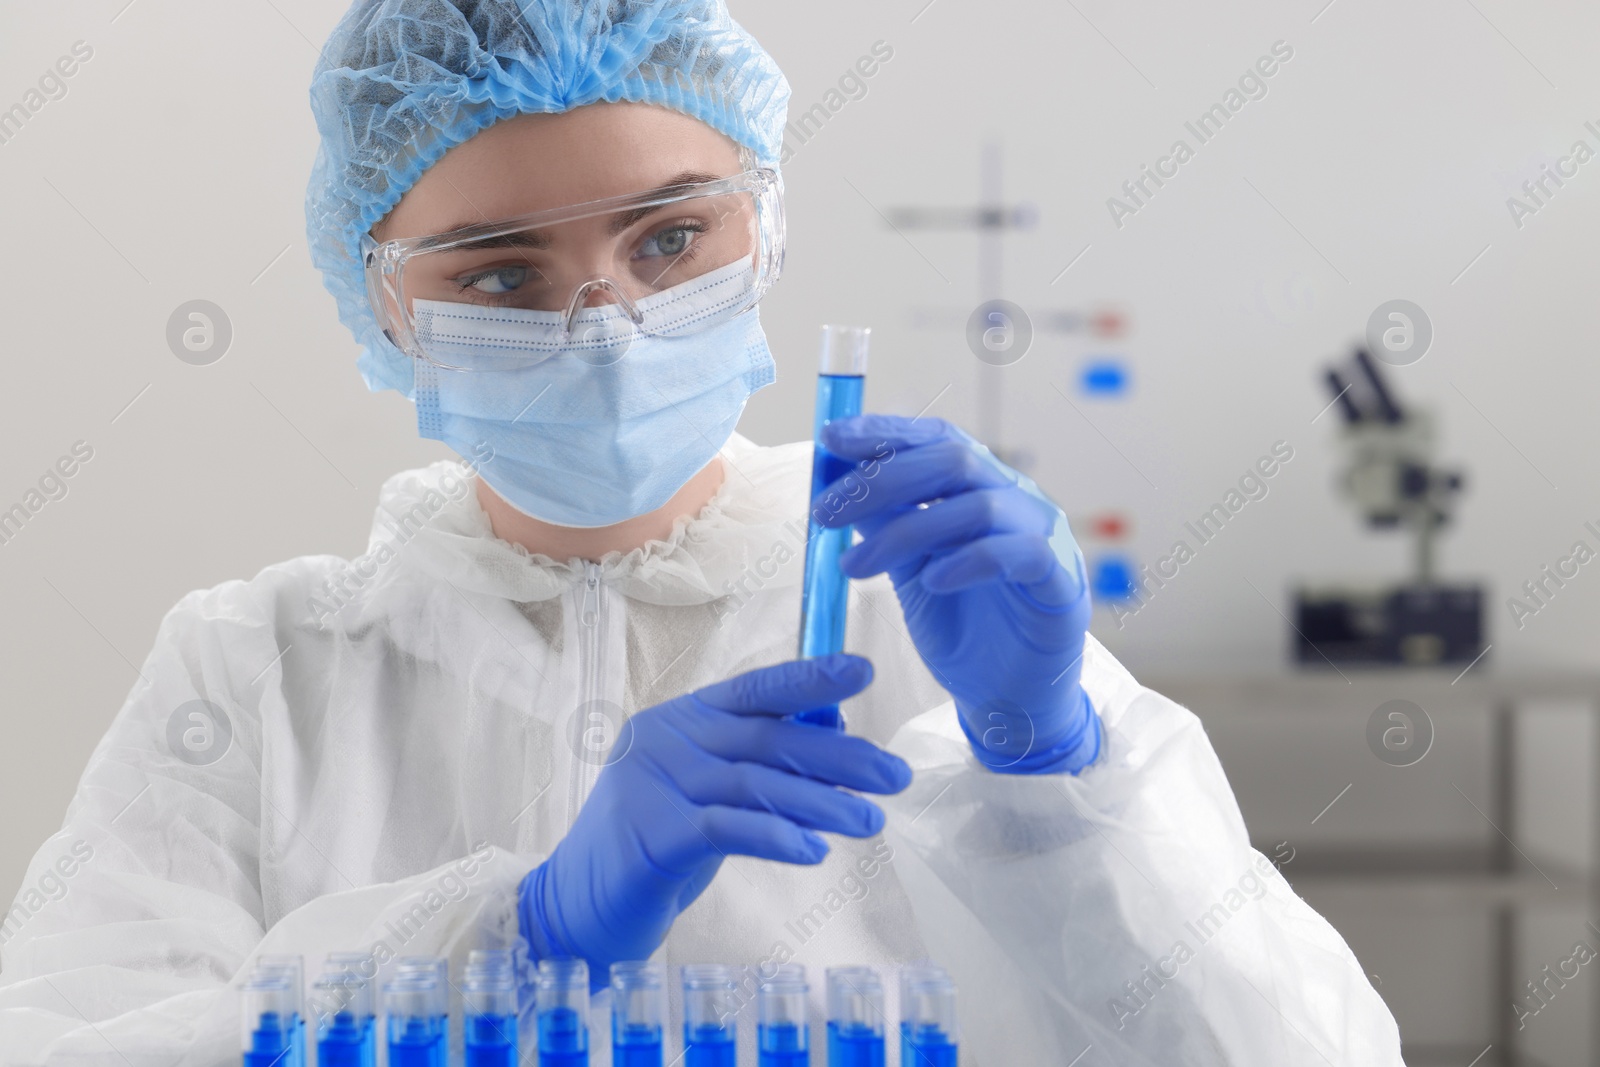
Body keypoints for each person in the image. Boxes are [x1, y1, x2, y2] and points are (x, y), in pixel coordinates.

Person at [0, 1, 1404, 1063]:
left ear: (767, 231)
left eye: (669, 239)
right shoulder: (261, 675)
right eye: (500, 269)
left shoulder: (915, 620)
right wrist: (514, 946)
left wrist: (1051, 766)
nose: (603, 322)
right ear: (380, 302)